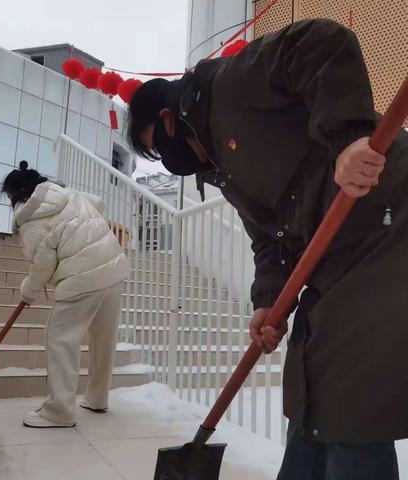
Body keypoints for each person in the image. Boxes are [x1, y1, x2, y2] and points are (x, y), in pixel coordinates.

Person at [127, 18, 408, 480]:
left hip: (385, 211)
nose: (163, 159)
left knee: (351, 385)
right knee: (308, 382)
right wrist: (267, 301)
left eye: (155, 146)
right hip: (334, 249)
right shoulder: (218, 167)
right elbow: (268, 240)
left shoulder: (231, 83)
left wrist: (347, 140)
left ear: (166, 118)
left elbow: (322, 41)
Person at [1, 161, 129, 428]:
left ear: (16, 194)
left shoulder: (31, 219)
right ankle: (97, 398)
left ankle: (59, 411)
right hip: (114, 267)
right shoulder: (69, 193)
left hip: (82, 276)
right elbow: (99, 202)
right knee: (104, 338)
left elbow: (42, 264)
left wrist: (29, 290)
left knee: (60, 339)